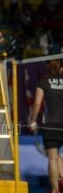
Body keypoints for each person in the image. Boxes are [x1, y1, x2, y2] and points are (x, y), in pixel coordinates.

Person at [29, 59, 63, 193]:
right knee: (58, 155)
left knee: (53, 156)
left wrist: (33, 120)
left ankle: (55, 190)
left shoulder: (43, 82)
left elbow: (37, 103)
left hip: (51, 124)